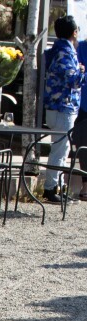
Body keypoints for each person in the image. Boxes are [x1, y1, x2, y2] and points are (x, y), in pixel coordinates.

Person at [43, 15, 86, 203]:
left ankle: (57, 187)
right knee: (60, 149)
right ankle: (51, 188)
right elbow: (73, 80)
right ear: (74, 32)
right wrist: (83, 72)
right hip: (62, 106)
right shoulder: (66, 52)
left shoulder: (58, 49)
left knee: (62, 147)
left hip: (57, 106)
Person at [71, 36, 87, 200]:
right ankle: (85, 187)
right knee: (84, 146)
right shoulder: (80, 47)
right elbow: (76, 74)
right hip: (83, 105)